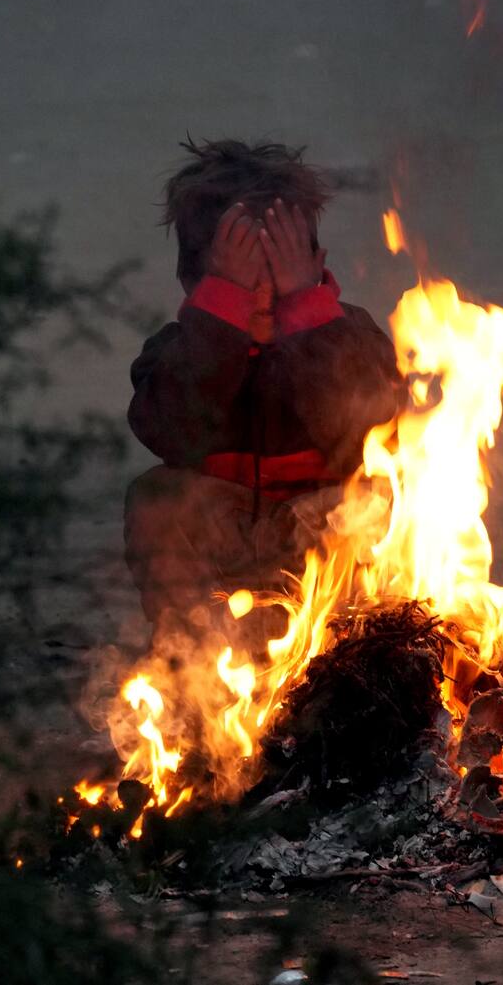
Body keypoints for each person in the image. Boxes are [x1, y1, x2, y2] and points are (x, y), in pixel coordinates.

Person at [124, 139, 402, 648]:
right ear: (194, 282)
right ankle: (193, 664)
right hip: (224, 557)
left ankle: (353, 657)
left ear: (315, 265)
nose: (264, 296)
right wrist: (220, 322)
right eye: (239, 282)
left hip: (323, 551)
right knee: (156, 495)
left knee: (376, 497)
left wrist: (307, 315)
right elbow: (170, 432)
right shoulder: (178, 350)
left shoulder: (348, 334)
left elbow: (365, 431)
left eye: (280, 275)